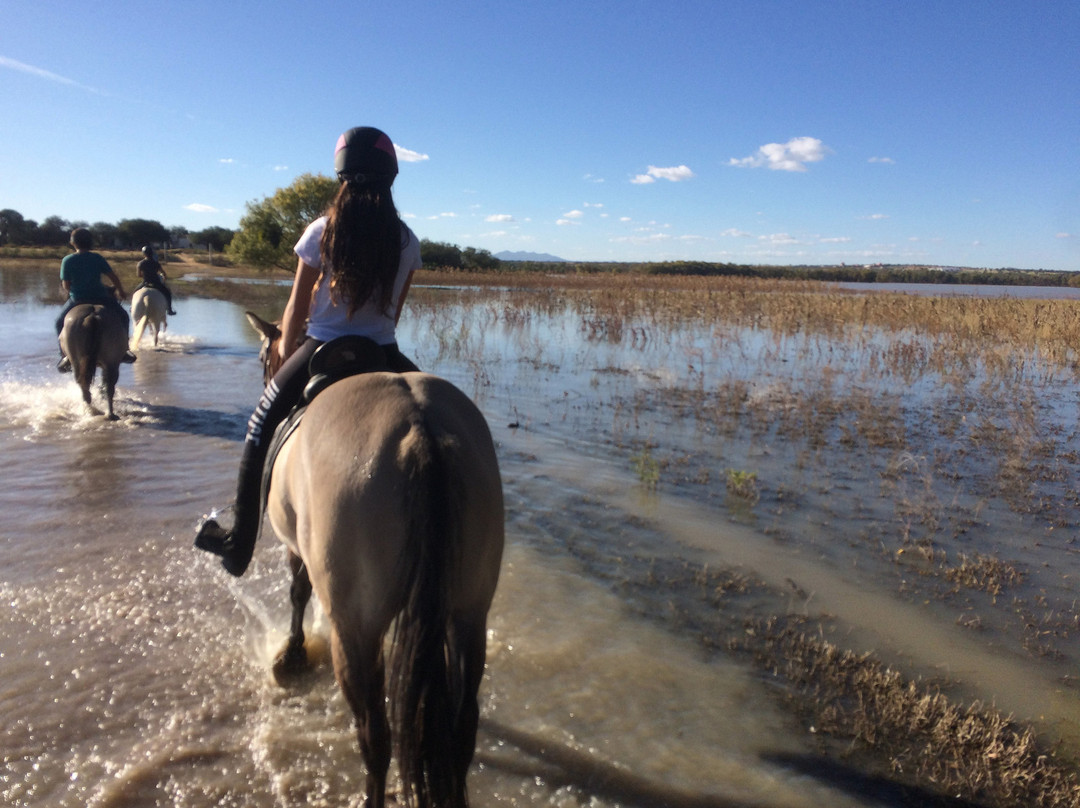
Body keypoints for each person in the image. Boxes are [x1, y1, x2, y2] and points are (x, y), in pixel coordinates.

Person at [195, 126, 422, 576]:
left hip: (320, 346)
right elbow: (394, 314)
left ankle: (239, 543)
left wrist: (283, 345)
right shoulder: (407, 240)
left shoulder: (322, 230)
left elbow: (298, 303)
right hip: (383, 350)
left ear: (341, 173)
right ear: (390, 177)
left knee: (260, 425)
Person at [55, 228, 136, 372]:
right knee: (124, 317)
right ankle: (125, 350)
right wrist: (121, 291)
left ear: (73, 243)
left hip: (78, 299)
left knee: (59, 323)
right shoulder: (97, 258)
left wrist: (73, 290)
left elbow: (66, 285)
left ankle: (64, 356)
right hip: (101, 297)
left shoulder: (67, 260)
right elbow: (113, 277)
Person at [134, 245, 177, 315]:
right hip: (156, 283)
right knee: (167, 293)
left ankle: (132, 306)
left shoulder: (140, 263)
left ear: (144, 253)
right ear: (151, 253)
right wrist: (163, 277)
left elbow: (138, 275)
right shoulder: (156, 263)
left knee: (135, 292)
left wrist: (145, 275)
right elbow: (163, 273)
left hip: (145, 283)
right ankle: (169, 309)